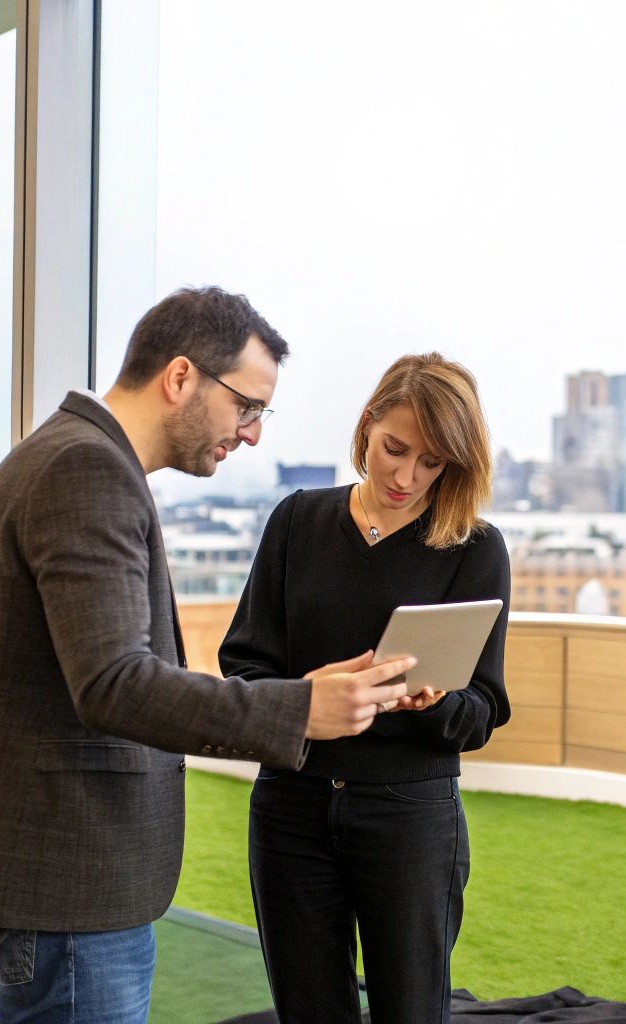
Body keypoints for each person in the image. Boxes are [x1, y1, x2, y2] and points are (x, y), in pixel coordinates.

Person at [0, 287, 422, 1023]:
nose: (251, 435)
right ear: (181, 378)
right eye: (246, 407)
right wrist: (302, 707)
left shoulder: (69, 454)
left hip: (52, 870)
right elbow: (115, 683)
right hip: (69, 876)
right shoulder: (86, 472)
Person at [220, 352, 511, 1024]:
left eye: (432, 462)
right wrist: (307, 694)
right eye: (394, 449)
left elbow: (484, 709)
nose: (407, 476)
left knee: (410, 1011)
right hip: (290, 811)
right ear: (367, 426)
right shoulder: (297, 522)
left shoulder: (475, 548)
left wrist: (437, 703)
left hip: (409, 817)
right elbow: (243, 664)